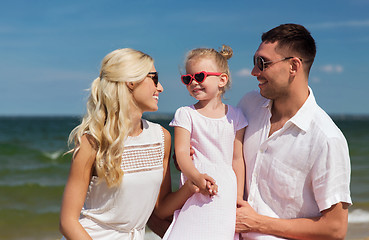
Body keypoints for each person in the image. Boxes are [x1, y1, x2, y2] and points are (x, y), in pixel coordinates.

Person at [59, 48, 198, 240]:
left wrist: (193, 181)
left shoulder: (161, 137)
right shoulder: (92, 141)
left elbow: (159, 209)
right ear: (131, 82)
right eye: (154, 78)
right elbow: (68, 222)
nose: (161, 88)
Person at [236, 23, 352, 239]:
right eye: (255, 62)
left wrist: (258, 223)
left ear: (294, 66)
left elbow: (335, 228)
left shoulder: (327, 139)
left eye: (262, 63)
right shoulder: (248, 104)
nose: (254, 72)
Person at [163, 45, 248, 240]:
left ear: (222, 80)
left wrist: (238, 198)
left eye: (199, 76)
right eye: (188, 79)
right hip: (197, 190)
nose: (194, 83)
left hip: (226, 192)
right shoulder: (185, 114)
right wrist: (196, 178)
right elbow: (182, 154)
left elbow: (237, 159)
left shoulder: (236, 116)